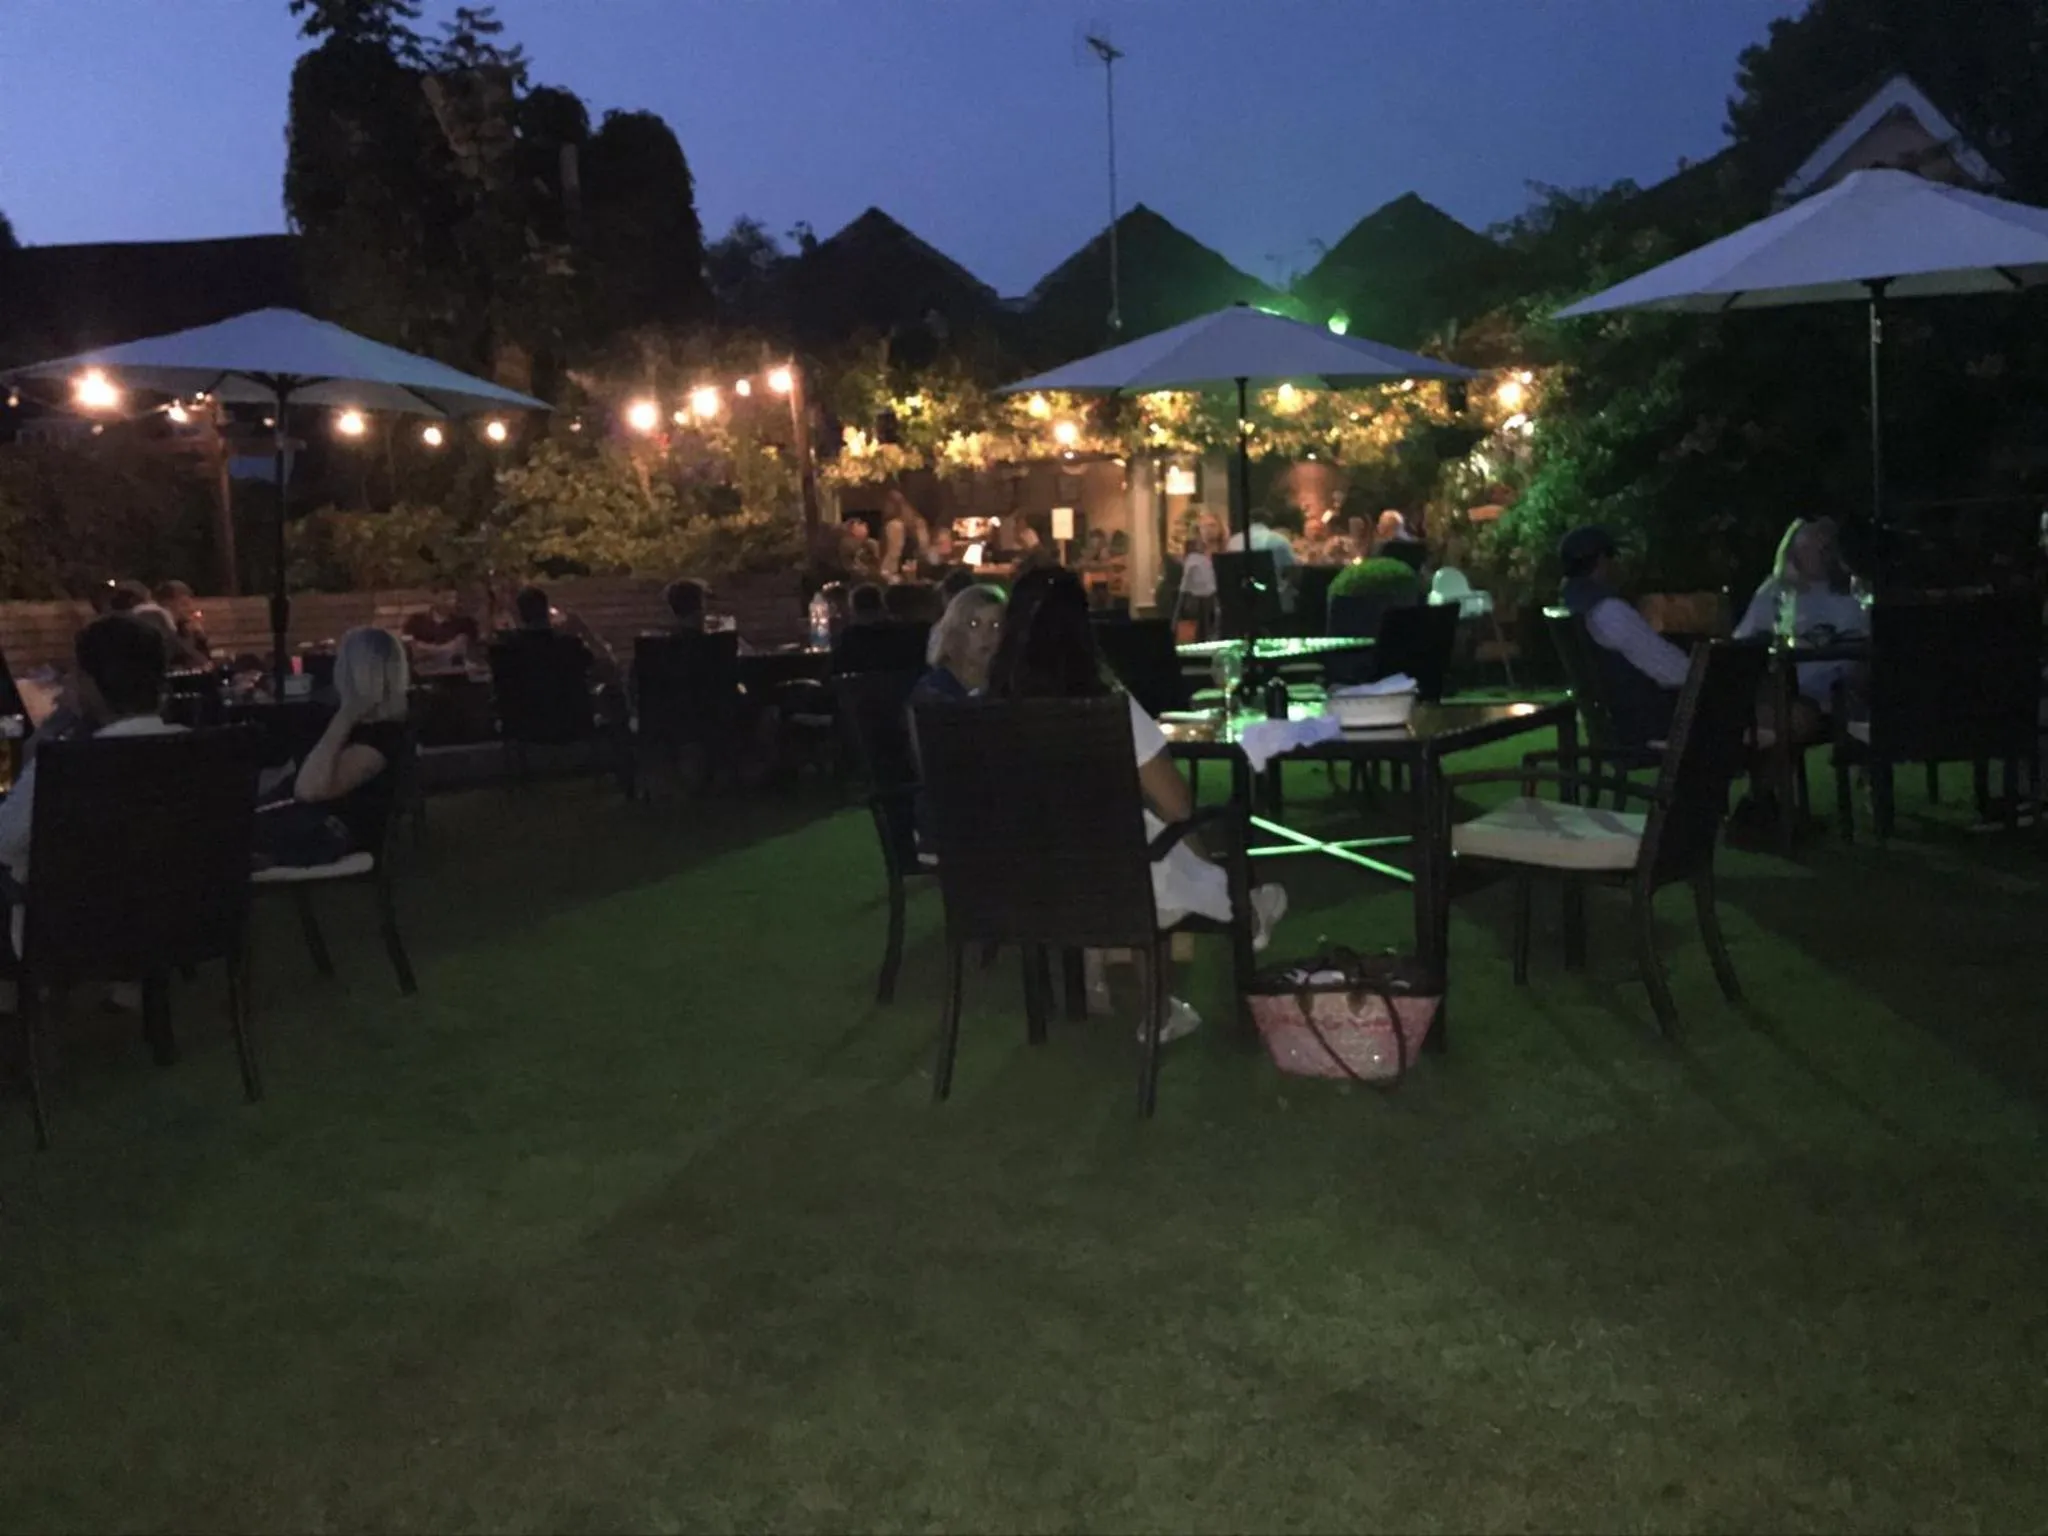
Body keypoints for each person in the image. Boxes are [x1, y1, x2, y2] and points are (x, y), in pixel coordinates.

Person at [983, 567, 1285, 1042]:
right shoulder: (1106, 708)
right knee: (1160, 839)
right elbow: (1178, 803)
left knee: (1144, 844)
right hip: (1113, 877)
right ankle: (1225, 924)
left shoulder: (982, 713)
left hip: (1023, 876)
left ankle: (1229, 912)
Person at [0, 615, 186, 898]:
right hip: (179, 928)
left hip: (70, 932)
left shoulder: (65, 766)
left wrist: (53, 726)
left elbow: (5, 842)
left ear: (89, 684)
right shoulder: (203, 754)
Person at [252, 627, 410, 868]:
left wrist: (347, 714)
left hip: (321, 830)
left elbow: (309, 791)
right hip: (298, 819)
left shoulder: (380, 737)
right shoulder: (360, 725)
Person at [1558, 525, 1690, 745]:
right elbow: (1673, 671)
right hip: (1650, 725)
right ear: (1601, 560)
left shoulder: (1575, 607)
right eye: (1613, 557)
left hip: (1622, 723)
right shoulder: (1608, 610)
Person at [1732, 517, 1868, 728]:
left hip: (1846, 689)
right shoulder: (1777, 592)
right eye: (1806, 549)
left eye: (1823, 548)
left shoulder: (1853, 592)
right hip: (1793, 690)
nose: (1816, 555)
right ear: (1793, 553)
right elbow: (1743, 640)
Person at [911, 584, 1005, 707]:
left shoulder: (1005, 691)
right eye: (974, 624)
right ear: (955, 630)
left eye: (995, 625)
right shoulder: (932, 694)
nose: (986, 635)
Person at [402, 585, 480, 674]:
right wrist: (444, 649)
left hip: (454, 673)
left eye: (454, 598)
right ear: (434, 597)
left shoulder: (464, 622)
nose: (452, 602)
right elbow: (411, 647)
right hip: (423, 674)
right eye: (445, 598)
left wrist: (426, 649)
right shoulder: (415, 621)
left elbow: (459, 647)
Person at [153, 580, 211, 662]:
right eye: (184, 604)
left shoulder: (183, 628)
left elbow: (205, 659)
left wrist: (199, 635)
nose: (190, 609)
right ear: (167, 603)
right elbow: (182, 655)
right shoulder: (160, 627)